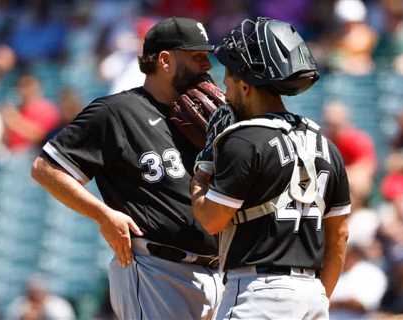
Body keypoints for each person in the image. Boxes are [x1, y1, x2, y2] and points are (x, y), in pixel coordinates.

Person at [31, 17, 221, 320]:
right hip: (158, 272)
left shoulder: (205, 118)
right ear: (165, 60)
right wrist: (102, 214)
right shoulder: (115, 112)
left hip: (218, 272)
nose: (206, 66)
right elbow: (45, 169)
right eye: (197, 57)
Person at [191, 17, 351, 319]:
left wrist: (202, 170)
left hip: (259, 291)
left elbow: (211, 220)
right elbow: (339, 237)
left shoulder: (242, 140)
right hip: (312, 295)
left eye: (228, 77)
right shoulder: (325, 145)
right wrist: (317, 298)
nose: (225, 88)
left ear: (245, 85)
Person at [6, 275, 75, 320]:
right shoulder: (19, 304)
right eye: (33, 291)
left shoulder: (58, 305)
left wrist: (42, 313)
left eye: (39, 291)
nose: (36, 294)